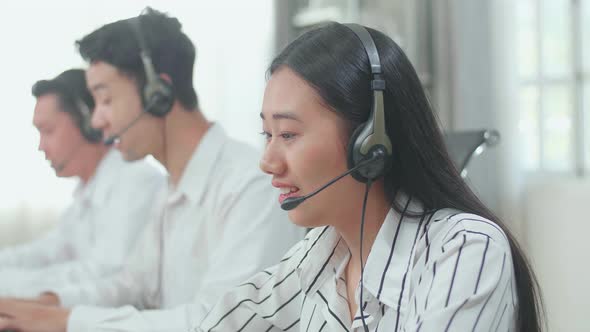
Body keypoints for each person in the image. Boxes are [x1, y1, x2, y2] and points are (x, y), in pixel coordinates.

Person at [194, 23, 544, 331]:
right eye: (266, 135)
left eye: (287, 135)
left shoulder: (465, 249)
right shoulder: (319, 255)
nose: (267, 162)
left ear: (370, 143)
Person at [0, 8, 303, 332]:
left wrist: (65, 321)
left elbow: (219, 322)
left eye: (105, 99)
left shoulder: (250, 186)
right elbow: (131, 285)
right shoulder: (170, 188)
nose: (97, 120)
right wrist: (42, 305)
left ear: (158, 93)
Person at [0, 69, 165, 300]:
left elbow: (106, 274)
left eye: (48, 131)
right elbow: (48, 252)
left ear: (89, 123)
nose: (40, 146)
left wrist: (10, 287)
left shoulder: (135, 181)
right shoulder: (87, 191)